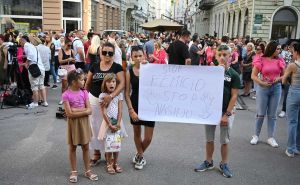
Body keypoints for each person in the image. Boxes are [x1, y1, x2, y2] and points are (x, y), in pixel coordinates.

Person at [194, 45, 240, 178]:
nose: (222, 57)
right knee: (209, 138)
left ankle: (224, 163)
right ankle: (208, 162)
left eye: (225, 55)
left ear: (230, 56)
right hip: (211, 110)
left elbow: (234, 96)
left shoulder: (234, 75)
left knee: (224, 140)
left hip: (226, 111)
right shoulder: (210, 71)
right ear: (215, 56)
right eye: (220, 54)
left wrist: (227, 114)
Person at [85, 42, 125, 166]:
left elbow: (122, 83)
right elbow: (88, 83)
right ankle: (96, 153)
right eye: (104, 52)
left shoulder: (117, 67)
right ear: (100, 53)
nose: (107, 55)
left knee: (110, 128)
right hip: (94, 101)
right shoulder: (95, 66)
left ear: (114, 54)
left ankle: (111, 155)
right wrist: (84, 99)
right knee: (94, 127)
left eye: (110, 53)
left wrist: (111, 96)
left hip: (111, 104)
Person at [62, 69, 98, 183]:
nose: (84, 81)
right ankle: (74, 171)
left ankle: (88, 171)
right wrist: (82, 111)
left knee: (86, 147)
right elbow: (69, 114)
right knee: (72, 148)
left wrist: (75, 110)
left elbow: (90, 110)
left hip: (84, 123)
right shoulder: (66, 95)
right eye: (82, 79)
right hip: (73, 125)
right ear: (73, 82)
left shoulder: (84, 93)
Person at [250, 41, 285, 147]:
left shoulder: (280, 60)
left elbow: (284, 75)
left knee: (272, 114)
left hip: (276, 88)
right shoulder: (261, 59)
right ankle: (256, 135)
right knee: (260, 113)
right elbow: (253, 76)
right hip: (263, 88)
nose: (279, 51)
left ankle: (271, 137)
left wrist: (278, 79)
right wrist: (262, 83)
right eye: (277, 49)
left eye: (279, 49)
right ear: (272, 49)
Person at [125, 46, 155, 170]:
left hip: (150, 106)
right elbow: (127, 93)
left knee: (148, 138)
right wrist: (131, 110)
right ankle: (141, 156)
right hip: (135, 104)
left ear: (144, 55)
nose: (138, 58)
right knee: (137, 133)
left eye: (140, 55)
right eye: (135, 56)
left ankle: (138, 154)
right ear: (131, 57)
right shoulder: (129, 71)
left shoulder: (151, 69)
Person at [98, 74, 127, 174]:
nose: (111, 84)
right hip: (107, 124)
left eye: (114, 82)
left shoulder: (119, 95)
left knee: (117, 143)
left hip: (118, 123)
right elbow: (104, 112)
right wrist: (110, 124)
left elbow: (120, 110)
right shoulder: (102, 96)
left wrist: (118, 123)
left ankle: (115, 163)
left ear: (116, 84)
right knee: (109, 144)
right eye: (109, 82)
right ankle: (109, 163)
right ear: (105, 83)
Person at [282, 42, 300, 157]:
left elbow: (284, 80)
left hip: (295, 91)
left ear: (296, 51)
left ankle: (290, 149)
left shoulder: (293, 65)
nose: (291, 54)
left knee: (292, 122)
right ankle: (297, 147)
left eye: (292, 52)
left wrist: (286, 77)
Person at [20, 36, 47, 109]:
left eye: (20, 42)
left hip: (34, 68)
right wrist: (24, 56)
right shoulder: (33, 46)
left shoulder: (26, 45)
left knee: (34, 86)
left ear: (22, 40)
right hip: (41, 68)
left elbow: (30, 56)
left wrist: (26, 63)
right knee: (41, 85)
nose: (20, 44)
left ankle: (35, 103)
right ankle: (45, 102)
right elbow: (33, 55)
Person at [278, 44, 292, 118]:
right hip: (289, 78)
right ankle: (284, 110)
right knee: (286, 94)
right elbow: (285, 66)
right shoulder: (287, 55)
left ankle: (290, 111)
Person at [35, 37, 50, 106]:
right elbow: (49, 58)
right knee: (44, 84)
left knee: (38, 84)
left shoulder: (36, 48)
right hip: (46, 68)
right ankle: (45, 99)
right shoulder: (47, 48)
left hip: (38, 67)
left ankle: (39, 99)